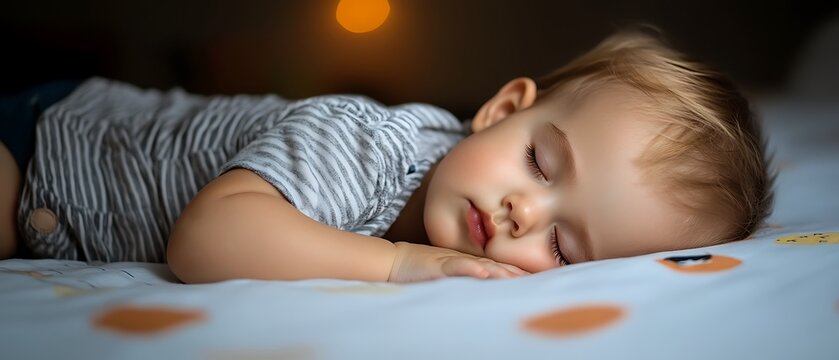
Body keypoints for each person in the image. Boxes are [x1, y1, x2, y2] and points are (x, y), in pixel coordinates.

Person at [0, 29, 773, 283]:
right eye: (540, 165)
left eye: (562, 245)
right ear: (503, 110)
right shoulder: (366, 142)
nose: (521, 213)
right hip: (51, 142)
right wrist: (402, 267)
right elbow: (206, 241)